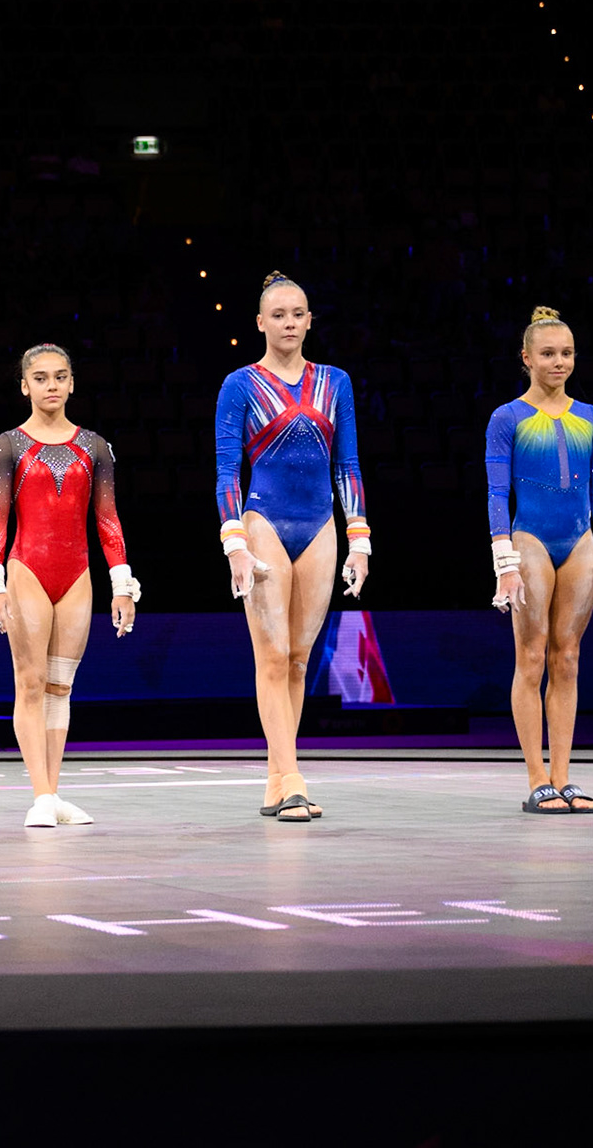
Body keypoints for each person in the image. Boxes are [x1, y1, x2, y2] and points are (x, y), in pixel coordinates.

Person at [213, 272, 370, 823]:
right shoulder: (241, 384)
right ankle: (294, 776)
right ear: (260, 322)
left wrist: (360, 537)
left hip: (321, 524)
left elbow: (347, 465)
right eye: (278, 315)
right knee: (272, 654)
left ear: (309, 321)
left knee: (301, 661)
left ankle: (278, 779)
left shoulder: (336, 382)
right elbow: (227, 470)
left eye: (298, 314)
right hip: (263, 523)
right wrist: (233, 540)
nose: (288, 323)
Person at [0, 343, 138, 828]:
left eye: (60, 377)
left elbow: (107, 520)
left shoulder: (93, 447)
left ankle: (52, 792)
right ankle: (41, 793)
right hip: (28, 568)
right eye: (41, 378)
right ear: (25, 385)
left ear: (72, 384)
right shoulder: (9, 445)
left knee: (59, 687)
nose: (51, 386)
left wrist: (122, 583)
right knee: (29, 682)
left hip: (77, 576)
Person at [486, 306, 593, 815]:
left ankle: (564, 777)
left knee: (566, 658)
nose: (559, 362)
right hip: (530, 539)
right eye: (548, 354)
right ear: (526, 358)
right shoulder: (508, 418)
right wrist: (504, 556)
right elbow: (496, 492)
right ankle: (536, 779)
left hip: (580, 540)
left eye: (566, 353)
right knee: (532, 655)